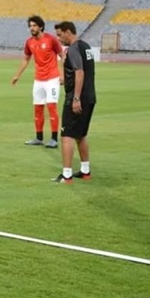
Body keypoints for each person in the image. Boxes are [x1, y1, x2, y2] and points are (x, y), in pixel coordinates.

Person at [52, 21, 96, 184]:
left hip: (77, 98)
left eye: (60, 34)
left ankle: (67, 175)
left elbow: (79, 72)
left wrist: (76, 98)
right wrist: (64, 80)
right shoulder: (86, 47)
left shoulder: (74, 49)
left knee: (67, 136)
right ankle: (85, 171)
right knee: (81, 134)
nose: (59, 38)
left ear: (68, 31)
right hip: (90, 96)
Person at [11, 15, 64, 148]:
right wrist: (17, 75)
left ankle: (54, 139)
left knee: (52, 108)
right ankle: (39, 137)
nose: (32, 28)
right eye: (30, 26)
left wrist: (62, 75)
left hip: (52, 78)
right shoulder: (29, 42)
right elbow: (26, 59)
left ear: (40, 26)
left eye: (34, 25)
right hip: (38, 80)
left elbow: (62, 55)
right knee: (38, 108)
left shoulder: (51, 39)